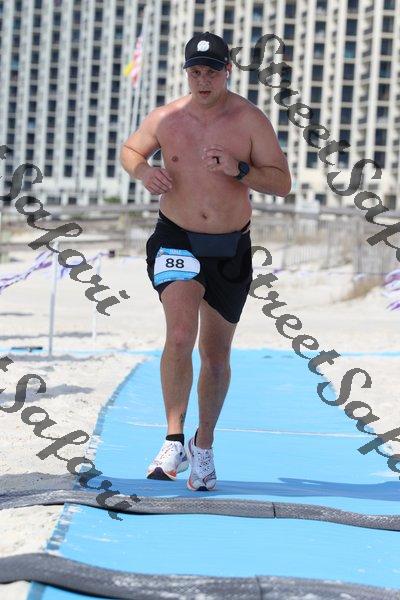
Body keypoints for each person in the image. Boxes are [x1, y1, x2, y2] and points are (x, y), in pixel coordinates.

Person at [120, 31, 291, 491]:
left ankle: (204, 444)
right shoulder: (167, 117)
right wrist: (144, 171)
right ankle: (173, 438)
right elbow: (131, 150)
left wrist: (239, 169)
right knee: (180, 334)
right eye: (195, 72)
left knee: (215, 357)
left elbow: (281, 183)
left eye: (211, 71)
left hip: (231, 247)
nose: (202, 80)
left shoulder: (250, 120)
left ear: (227, 71)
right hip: (176, 239)